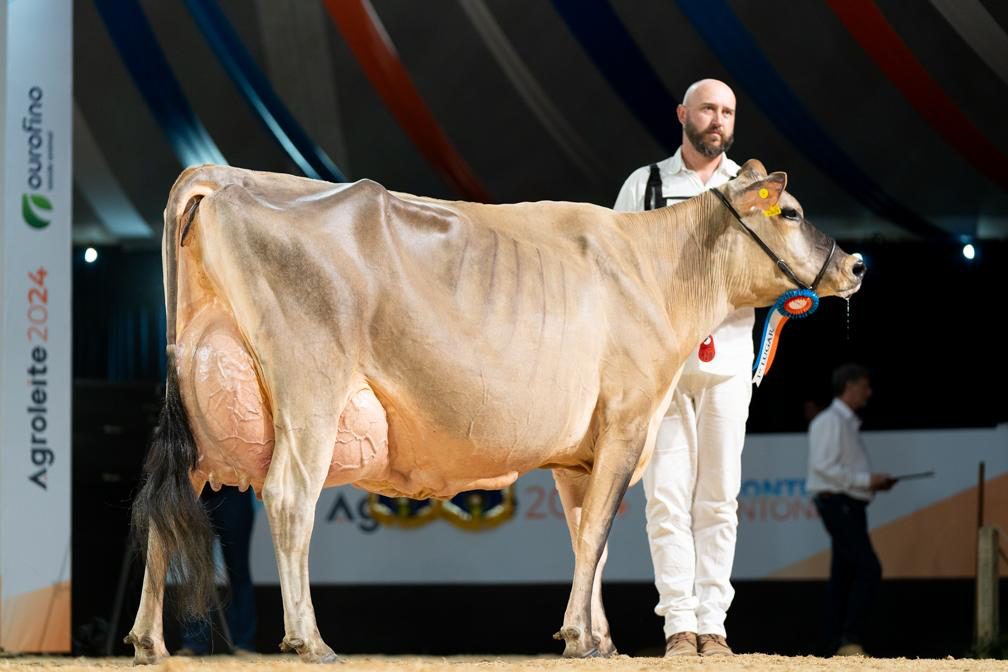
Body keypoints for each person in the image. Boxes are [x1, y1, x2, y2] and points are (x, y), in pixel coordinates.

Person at [614, 78, 751, 657]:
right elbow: (612, 271)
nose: (717, 120)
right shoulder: (644, 185)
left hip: (730, 360)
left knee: (719, 498)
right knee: (666, 498)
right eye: (707, 109)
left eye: (726, 112)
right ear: (682, 115)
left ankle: (714, 624)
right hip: (661, 369)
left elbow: (778, 263)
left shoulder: (751, 188)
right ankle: (678, 625)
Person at [807, 363, 895, 657]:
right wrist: (866, 480)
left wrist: (870, 485)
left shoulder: (844, 423)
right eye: (864, 386)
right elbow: (824, 467)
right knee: (868, 567)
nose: (869, 393)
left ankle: (831, 643)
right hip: (838, 503)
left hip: (849, 504)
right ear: (850, 386)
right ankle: (849, 638)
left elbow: (837, 468)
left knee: (843, 574)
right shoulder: (829, 421)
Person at [176, 486, 257, 656]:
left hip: (235, 489)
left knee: (239, 569)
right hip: (197, 488)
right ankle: (194, 642)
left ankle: (243, 643)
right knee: (196, 571)